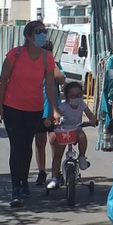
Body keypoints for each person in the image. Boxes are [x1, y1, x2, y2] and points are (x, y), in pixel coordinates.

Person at [0, 20, 61, 208]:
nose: (42, 35)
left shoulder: (47, 57)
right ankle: (16, 189)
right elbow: (3, 81)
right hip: (12, 107)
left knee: (26, 146)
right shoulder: (15, 54)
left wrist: (54, 109)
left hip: (35, 109)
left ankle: (23, 181)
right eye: (38, 32)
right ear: (29, 36)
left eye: (44, 31)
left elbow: (49, 85)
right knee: (17, 147)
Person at [47, 81, 98, 189]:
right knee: (58, 154)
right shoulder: (63, 106)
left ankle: (82, 156)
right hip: (64, 131)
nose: (77, 98)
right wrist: (48, 120)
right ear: (67, 96)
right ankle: (54, 178)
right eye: (73, 96)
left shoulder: (82, 105)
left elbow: (90, 115)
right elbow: (54, 115)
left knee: (82, 136)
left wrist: (92, 120)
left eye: (79, 95)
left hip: (76, 129)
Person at [35, 41, 65, 187]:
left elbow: (61, 79)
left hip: (53, 109)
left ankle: (56, 172)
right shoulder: (33, 65)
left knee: (54, 141)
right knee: (40, 142)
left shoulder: (54, 65)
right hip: (38, 109)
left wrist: (51, 63)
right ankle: (41, 171)